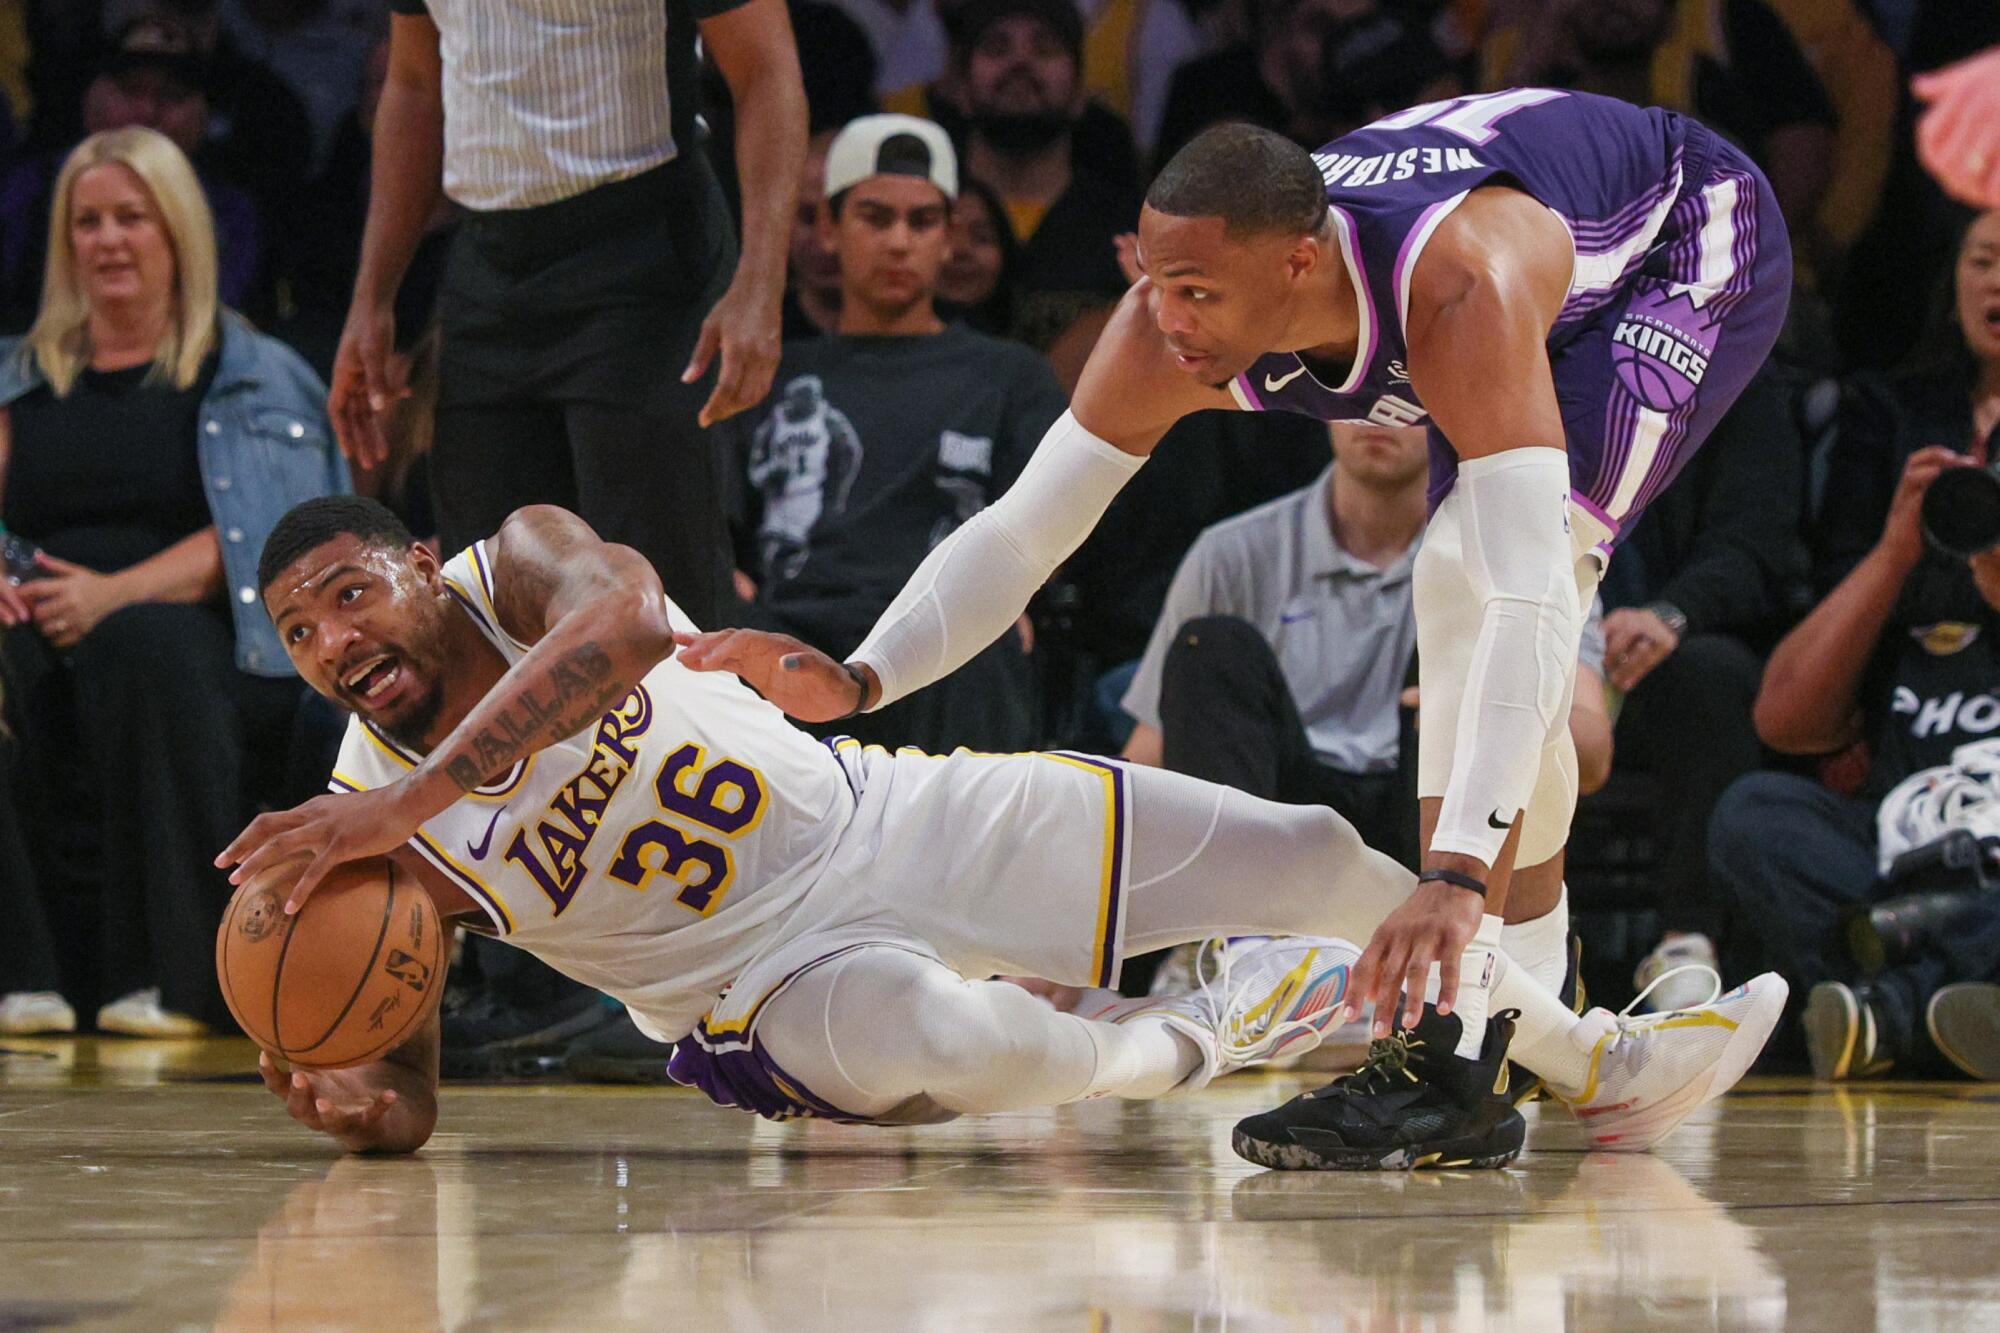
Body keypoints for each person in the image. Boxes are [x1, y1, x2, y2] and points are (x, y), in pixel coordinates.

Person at [670, 90, 1795, 1170]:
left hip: (1677, 238)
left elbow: (1523, 605)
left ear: (1297, 265)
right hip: (1512, 249)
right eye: (1155, 283)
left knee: (1487, 567)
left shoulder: (1453, 287)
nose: (1166, 319)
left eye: (1196, 291)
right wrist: (864, 676)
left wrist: (1452, 875)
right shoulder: (1174, 313)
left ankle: (1467, 1046)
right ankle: (1532, 1040)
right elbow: (1023, 535)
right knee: (1474, 583)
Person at [226, 496, 1758, 1162]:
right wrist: (372, 1112)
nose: (334, 640)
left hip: (891, 815)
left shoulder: (522, 563)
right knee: (949, 1037)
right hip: (759, 995)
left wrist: (407, 800)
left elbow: (626, 620)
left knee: (1308, 852)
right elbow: (403, 1072)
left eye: (350, 594)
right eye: (297, 634)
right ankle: (1206, 1036)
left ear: (423, 564)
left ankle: (1601, 1065)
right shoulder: (369, 828)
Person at [337, 0, 808, 1073]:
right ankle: (533, 979)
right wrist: (374, 295)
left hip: (645, 242)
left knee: (660, 608)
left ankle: (730, 960)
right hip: (490, 261)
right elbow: (414, 85)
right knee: (483, 619)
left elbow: (767, 72)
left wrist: (760, 280)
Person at [0, 127, 346, 1034]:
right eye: (88, 222)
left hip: (202, 627)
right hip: (36, 609)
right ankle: (22, 977)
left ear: (179, 232)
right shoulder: (17, 378)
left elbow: (283, 536)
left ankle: (171, 979)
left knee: (142, 647)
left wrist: (114, 593)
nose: (108, 240)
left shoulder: (253, 374)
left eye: (131, 217)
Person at [1711, 208, 2000, 1080]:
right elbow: (1786, 719)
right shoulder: (1897, 414)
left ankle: (1889, 1014)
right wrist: (1897, 548)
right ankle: (1961, 1005)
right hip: (1909, 812)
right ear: (1954, 281)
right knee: (1755, 813)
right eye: (1985, 260)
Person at [1120, 420, 1613, 871]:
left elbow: (1591, 760)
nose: (1378, 417)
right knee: (1210, 645)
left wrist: (1491, 701)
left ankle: (1473, 940)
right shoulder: (1232, 551)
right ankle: (1225, 935)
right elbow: (1151, 756)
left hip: (1425, 818)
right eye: (1361, 398)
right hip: (1275, 816)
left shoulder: (1518, 559)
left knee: (1463, 656)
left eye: (1404, 397)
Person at [732, 115, 1064, 755]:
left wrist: (1012, 595)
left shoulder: (1009, 376)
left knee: (988, 643)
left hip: (942, 629)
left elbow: (1049, 524)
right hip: (793, 624)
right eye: (875, 217)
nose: (899, 242)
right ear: (827, 229)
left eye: (922, 221)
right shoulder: (774, 373)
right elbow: (716, 532)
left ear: (949, 236)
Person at [1601, 370, 1807, 1011]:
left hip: (1666, 655)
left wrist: (1671, 614)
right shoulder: (1549, 358)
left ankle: (1686, 941)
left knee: (1712, 676)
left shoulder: (1741, 378)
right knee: (1436, 682)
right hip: (1546, 629)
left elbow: (1754, 544)